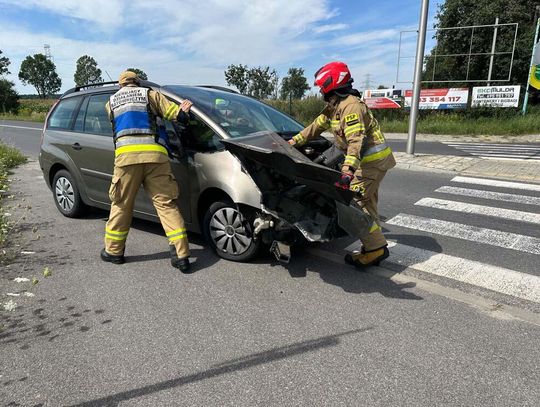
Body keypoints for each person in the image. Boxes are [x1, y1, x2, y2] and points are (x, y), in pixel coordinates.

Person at [288, 61, 395, 268]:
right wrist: (293, 142)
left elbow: (355, 140)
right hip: (372, 163)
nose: (320, 90)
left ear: (331, 82)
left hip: (370, 163)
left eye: (322, 86)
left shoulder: (350, 106)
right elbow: (317, 125)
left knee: (354, 205)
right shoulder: (337, 104)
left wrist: (347, 171)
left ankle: (375, 249)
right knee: (368, 203)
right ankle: (373, 245)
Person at [100, 70, 193, 273]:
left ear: (120, 85)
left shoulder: (111, 102)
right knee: (166, 205)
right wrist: (184, 110)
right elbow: (176, 116)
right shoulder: (150, 94)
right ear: (138, 82)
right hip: (155, 158)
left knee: (121, 205)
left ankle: (114, 252)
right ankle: (181, 256)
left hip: (126, 161)